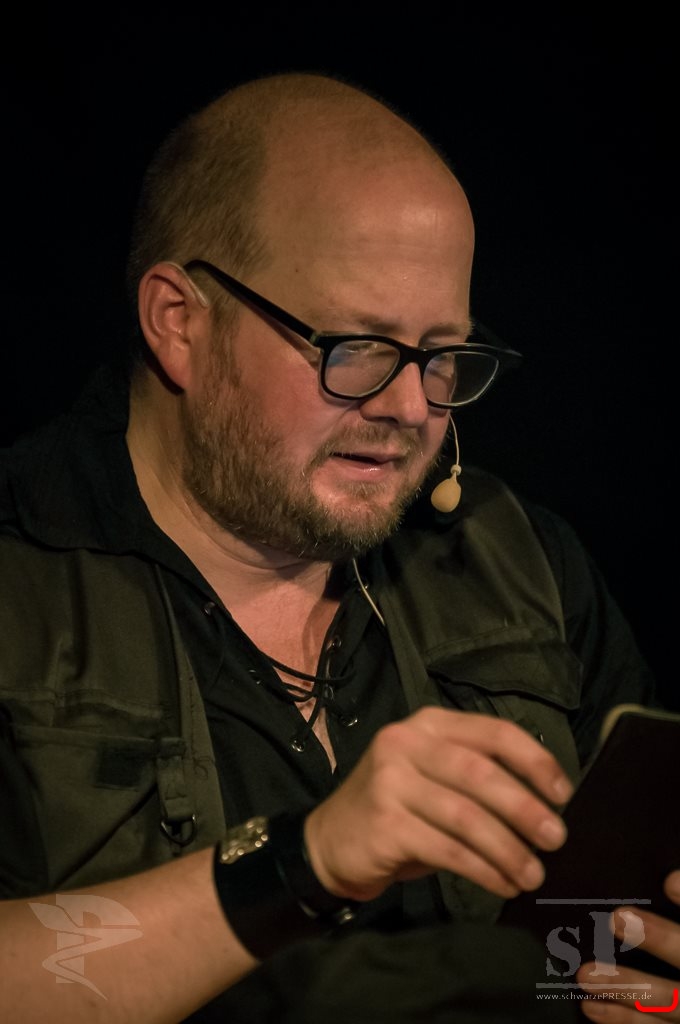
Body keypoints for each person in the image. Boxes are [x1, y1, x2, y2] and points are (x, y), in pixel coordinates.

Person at [0, 71, 676, 1024]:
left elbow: (607, 942)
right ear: (179, 323)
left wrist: (644, 986)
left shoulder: (519, 561)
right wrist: (301, 863)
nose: (410, 408)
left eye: (442, 355)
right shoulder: (21, 576)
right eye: (356, 347)